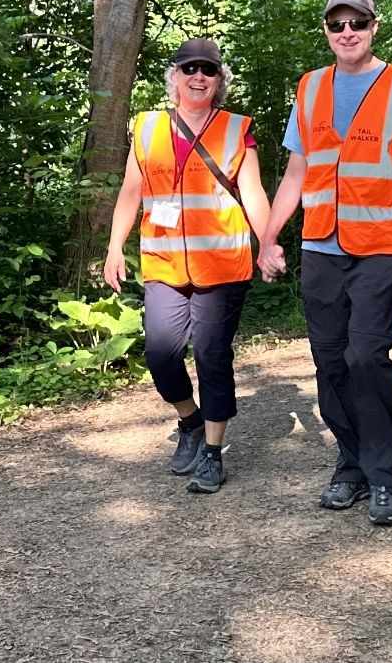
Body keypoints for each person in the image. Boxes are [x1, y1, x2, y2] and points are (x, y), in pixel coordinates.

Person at [259, 0, 392, 525]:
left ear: (373, 26)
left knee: (366, 358)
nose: (346, 33)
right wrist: (269, 238)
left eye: (356, 23)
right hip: (320, 246)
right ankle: (351, 464)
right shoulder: (310, 87)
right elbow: (296, 174)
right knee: (330, 360)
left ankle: (383, 476)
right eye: (336, 24)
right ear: (326, 31)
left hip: (382, 248)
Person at [103, 37, 271, 495]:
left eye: (209, 70)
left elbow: (252, 192)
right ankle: (190, 421)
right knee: (160, 353)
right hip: (163, 261)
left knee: (212, 355)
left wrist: (269, 240)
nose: (199, 77)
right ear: (173, 76)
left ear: (220, 81)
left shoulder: (237, 129)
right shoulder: (148, 127)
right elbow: (131, 193)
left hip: (221, 263)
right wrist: (115, 247)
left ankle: (213, 454)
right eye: (190, 68)